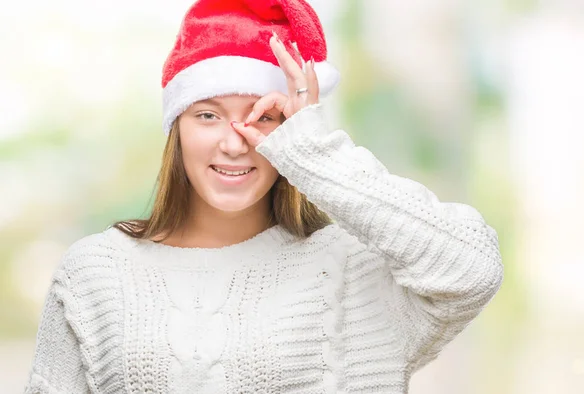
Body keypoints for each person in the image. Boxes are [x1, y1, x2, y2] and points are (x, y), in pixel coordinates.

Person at [24, 0, 503, 393]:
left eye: (263, 117)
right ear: (176, 130)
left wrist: (314, 151)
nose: (234, 143)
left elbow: (473, 267)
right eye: (207, 115)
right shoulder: (97, 272)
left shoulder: (355, 270)